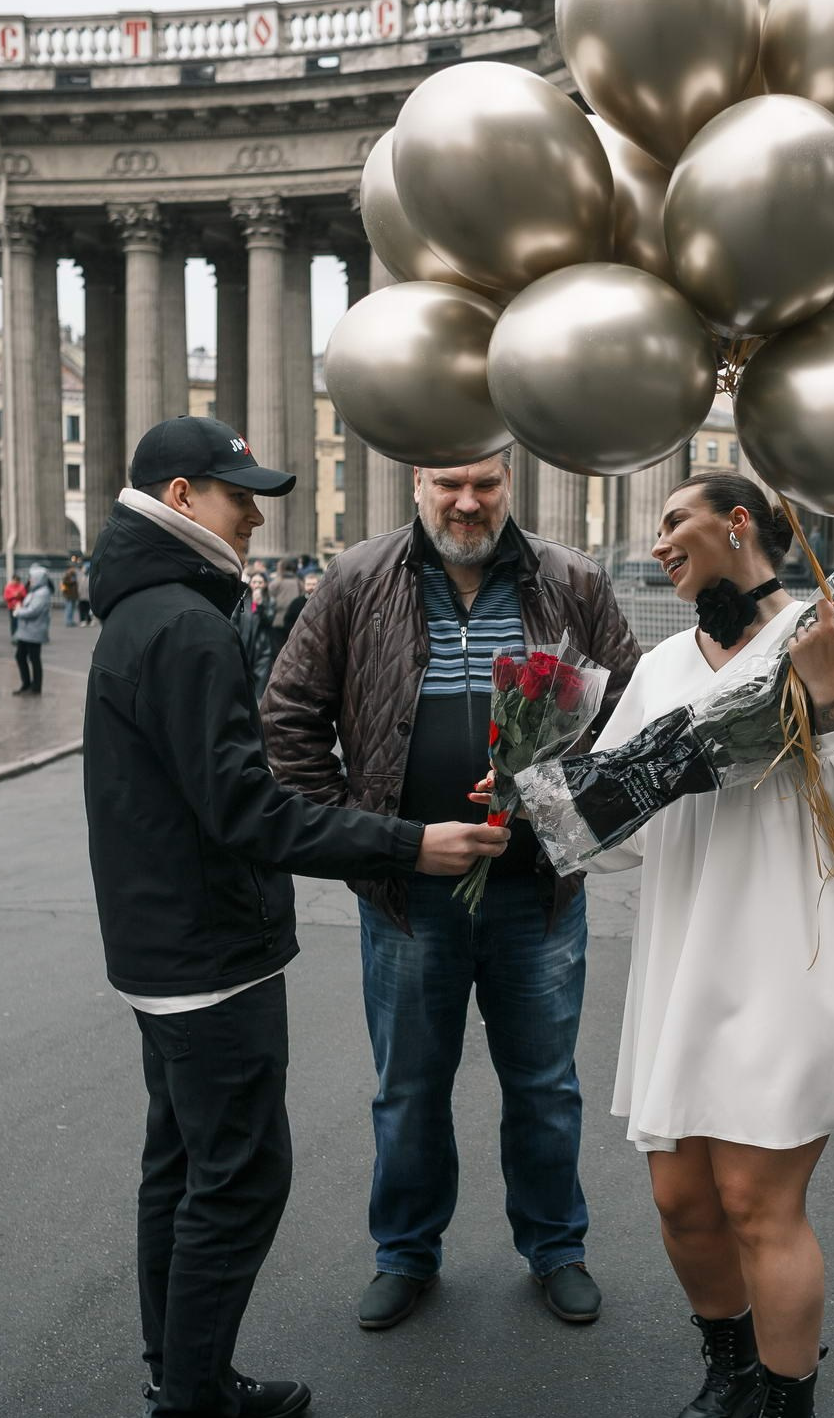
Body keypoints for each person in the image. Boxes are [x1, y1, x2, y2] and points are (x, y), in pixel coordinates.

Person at [84, 416, 509, 1418]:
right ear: (182, 491)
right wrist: (402, 841)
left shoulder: (150, 609)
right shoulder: (183, 623)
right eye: (239, 495)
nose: (257, 514)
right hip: (207, 949)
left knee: (179, 1172)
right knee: (234, 1182)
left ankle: (190, 1382)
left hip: (164, 944)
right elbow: (243, 809)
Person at [578, 472, 834, 1418]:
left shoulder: (830, 632)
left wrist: (831, 693)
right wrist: (547, 804)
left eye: (675, 519)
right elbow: (616, 826)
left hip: (795, 950)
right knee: (681, 1202)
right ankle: (730, 1367)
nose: (659, 540)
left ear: (739, 523)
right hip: (685, 959)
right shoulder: (663, 663)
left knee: (756, 1201)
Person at [265, 452, 639, 1332]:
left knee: (545, 1083)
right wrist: (373, 845)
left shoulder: (570, 579)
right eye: (449, 483)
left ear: (509, 483)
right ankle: (405, 1251)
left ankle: (556, 1246)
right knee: (409, 1086)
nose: (467, 502)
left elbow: (627, 714)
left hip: (536, 891)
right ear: (419, 486)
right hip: (407, 894)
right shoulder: (359, 579)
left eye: (485, 483)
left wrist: (555, 804)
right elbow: (288, 718)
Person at [13, 561, 52, 694]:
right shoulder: (35, 591)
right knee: (21, 656)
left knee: (34, 659)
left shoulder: (42, 593)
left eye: (31, 577)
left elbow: (33, 610)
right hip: (27, 631)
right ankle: (27, 684)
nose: (29, 580)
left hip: (34, 631)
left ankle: (35, 687)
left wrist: (18, 612)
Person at [62, 556, 83, 627]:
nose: (74, 569)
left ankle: (70, 620)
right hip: (68, 594)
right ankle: (68, 621)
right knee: (69, 608)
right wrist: (72, 581)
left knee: (72, 608)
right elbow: (65, 582)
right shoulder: (68, 574)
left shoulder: (74, 574)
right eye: (73, 568)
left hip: (73, 594)